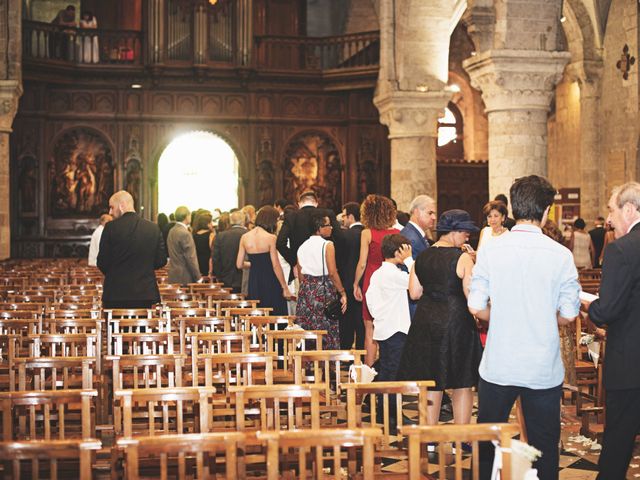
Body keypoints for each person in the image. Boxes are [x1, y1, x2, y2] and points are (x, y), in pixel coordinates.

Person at [468, 175, 580, 480]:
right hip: (541, 366)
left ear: (513, 209)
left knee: (488, 439)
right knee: (544, 443)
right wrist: (544, 315)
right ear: (545, 211)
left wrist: (502, 314)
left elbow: (476, 306)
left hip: (499, 363)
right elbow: (569, 315)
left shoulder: (492, 249)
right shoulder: (561, 255)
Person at [397, 209, 481, 427]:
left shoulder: (421, 257)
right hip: (456, 323)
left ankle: (428, 436)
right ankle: (461, 437)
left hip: (426, 322)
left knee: (430, 381)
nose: (467, 236)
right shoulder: (462, 258)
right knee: (463, 382)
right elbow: (471, 299)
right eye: (464, 232)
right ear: (453, 232)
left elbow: (414, 293)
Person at [585, 182, 640, 479]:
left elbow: (607, 311)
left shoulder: (622, 250)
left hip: (631, 365)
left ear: (629, 210)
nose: (608, 218)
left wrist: (587, 305)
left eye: (611, 209)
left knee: (618, 443)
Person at [97, 191, 167, 308]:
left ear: (121, 205)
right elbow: (161, 260)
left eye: (111, 207)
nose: (110, 212)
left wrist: (116, 272)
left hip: (115, 294)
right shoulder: (153, 228)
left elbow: (102, 261)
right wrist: (144, 268)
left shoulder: (110, 228)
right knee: (143, 326)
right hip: (145, 293)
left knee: (115, 326)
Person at [353, 194, 399, 366]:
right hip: (391, 283)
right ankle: (390, 368)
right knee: (391, 326)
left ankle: (369, 374)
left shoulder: (367, 233)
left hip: (372, 282)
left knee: (369, 329)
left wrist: (355, 283)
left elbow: (362, 263)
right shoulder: (398, 233)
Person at [366, 234, 413, 391]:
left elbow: (370, 299)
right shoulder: (392, 274)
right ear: (398, 252)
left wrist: (379, 316)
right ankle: (390, 412)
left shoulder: (379, 272)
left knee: (387, 368)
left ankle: (383, 408)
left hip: (384, 327)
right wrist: (409, 260)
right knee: (393, 372)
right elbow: (417, 280)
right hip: (395, 328)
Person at [296, 213, 348, 349]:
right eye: (328, 225)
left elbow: (300, 275)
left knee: (307, 327)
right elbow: (332, 272)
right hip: (323, 289)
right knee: (326, 327)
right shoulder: (328, 245)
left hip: (306, 290)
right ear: (319, 228)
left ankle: (306, 364)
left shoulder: (302, 246)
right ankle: (327, 365)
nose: (331, 227)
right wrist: (342, 292)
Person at [236, 206, 291, 315]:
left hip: (254, 280)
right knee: (274, 314)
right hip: (270, 280)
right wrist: (285, 287)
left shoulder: (245, 237)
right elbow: (275, 265)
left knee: (257, 314)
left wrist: (255, 264)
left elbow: (239, 264)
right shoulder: (271, 238)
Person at [276, 190, 341, 282]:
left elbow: (280, 243)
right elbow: (339, 238)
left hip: (301, 267)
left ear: (299, 203)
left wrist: (294, 262)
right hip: (325, 265)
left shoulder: (291, 216)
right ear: (316, 203)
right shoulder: (327, 214)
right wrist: (334, 262)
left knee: (302, 294)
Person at [400, 195, 437, 317]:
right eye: (430, 213)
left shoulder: (415, 234)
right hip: (414, 303)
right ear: (416, 212)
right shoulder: (410, 237)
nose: (434, 217)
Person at [336, 202, 364, 350]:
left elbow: (339, 261)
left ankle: (345, 355)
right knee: (361, 322)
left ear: (351, 217)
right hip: (363, 283)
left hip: (346, 282)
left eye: (345, 216)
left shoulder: (344, 235)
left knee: (346, 322)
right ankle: (361, 354)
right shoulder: (367, 233)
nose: (343, 219)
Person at [212, 210, 247, 292]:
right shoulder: (249, 234)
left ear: (231, 221)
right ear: (243, 221)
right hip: (245, 279)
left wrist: (219, 277)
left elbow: (216, 260)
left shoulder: (220, 236)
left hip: (226, 280)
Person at [167, 206, 202, 285]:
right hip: (185, 276)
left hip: (173, 275)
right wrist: (198, 277)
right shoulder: (185, 233)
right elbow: (190, 257)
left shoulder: (172, 231)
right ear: (186, 216)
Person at [192, 210, 214, 276]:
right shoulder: (211, 235)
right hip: (207, 263)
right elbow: (213, 251)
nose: (212, 224)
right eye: (211, 222)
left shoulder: (194, 235)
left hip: (196, 262)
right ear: (207, 224)